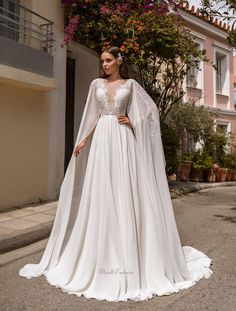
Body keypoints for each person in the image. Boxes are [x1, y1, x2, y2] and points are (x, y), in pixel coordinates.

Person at [19, 46, 213, 302]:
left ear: (119, 61)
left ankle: (130, 256)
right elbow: (92, 117)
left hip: (123, 142)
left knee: (125, 191)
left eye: (109, 60)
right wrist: (83, 141)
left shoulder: (131, 85)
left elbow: (151, 111)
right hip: (101, 141)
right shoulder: (95, 84)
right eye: (103, 61)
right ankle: (98, 252)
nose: (105, 64)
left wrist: (133, 122)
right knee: (100, 193)